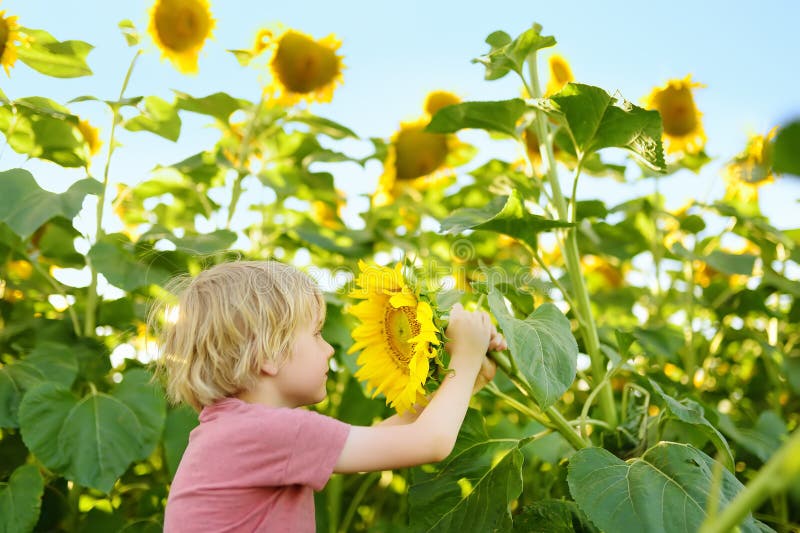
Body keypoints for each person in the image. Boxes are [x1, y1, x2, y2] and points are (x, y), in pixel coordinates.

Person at [152, 260, 506, 533]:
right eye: (317, 334)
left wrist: (464, 380)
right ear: (268, 356)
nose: (329, 350)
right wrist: (465, 355)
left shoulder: (239, 429)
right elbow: (431, 441)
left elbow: (387, 439)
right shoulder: (262, 432)